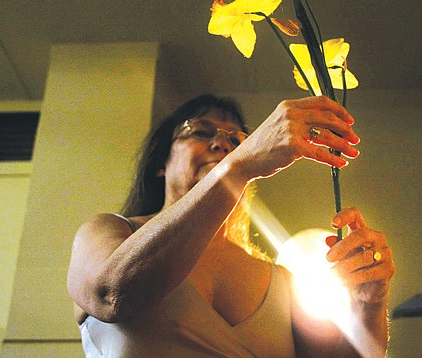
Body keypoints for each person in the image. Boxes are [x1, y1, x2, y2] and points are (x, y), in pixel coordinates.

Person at [67, 94, 395, 357]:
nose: (221, 144)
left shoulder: (282, 281)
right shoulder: (111, 232)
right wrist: (236, 168)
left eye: (236, 140)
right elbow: (111, 296)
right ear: (159, 164)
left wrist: (368, 305)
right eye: (201, 131)